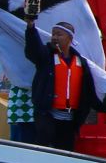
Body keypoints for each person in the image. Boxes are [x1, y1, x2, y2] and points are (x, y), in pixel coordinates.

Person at [23, 18, 96, 152]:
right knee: (42, 152)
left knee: (65, 153)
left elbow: (89, 90)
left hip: (70, 120)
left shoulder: (81, 62)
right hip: (48, 116)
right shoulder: (46, 57)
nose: (55, 37)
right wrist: (30, 27)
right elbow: (33, 50)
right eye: (53, 34)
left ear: (70, 38)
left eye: (59, 34)